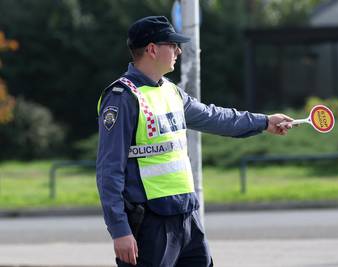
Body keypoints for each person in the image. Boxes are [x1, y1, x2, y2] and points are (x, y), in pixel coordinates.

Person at [96, 15, 293, 267]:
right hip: (151, 223)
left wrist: (264, 122)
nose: (178, 50)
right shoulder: (122, 97)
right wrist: (119, 229)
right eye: (172, 44)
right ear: (152, 49)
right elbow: (108, 170)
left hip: (187, 217)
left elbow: (214, 117)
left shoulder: (171, 91)